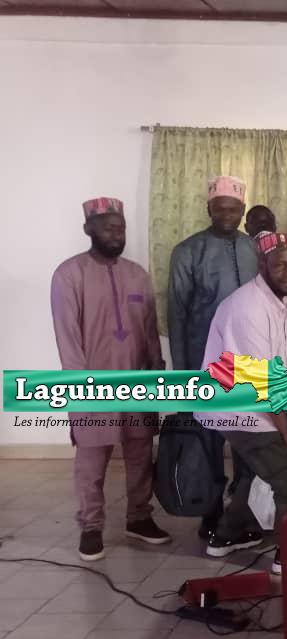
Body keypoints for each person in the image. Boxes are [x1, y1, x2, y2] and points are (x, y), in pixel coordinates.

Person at [196, 232, 287, 573]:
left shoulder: (282, 302)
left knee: (257, 472)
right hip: (238, 409)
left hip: (255, 405)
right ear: (262, 266)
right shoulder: (249, 307)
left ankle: (228, 534)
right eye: (280, 266)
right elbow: (261, 379)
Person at [51, 198, 170, 561]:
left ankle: (139, 518)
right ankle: (91, 527)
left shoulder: (137, 274)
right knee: (92, 459)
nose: (116, 234)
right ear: (88, 229)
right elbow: (68, 338)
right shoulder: (69, 274)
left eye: (120, 228)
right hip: (92, 384)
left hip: (137, 379)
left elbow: (148, 329)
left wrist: (156, 370)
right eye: (108, 227)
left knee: (140, 451)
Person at [168, 175, 260, 541]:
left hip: (248, 364)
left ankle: (242, 514)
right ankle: (211, 514)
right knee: (207, 441)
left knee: (248, 442)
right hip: (204, 362)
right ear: (209, 209)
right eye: (219, 208)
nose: (226, 215)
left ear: (243, 210)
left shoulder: (255, 249)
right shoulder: (188, 251)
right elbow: (177, 314)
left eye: (233, 209)